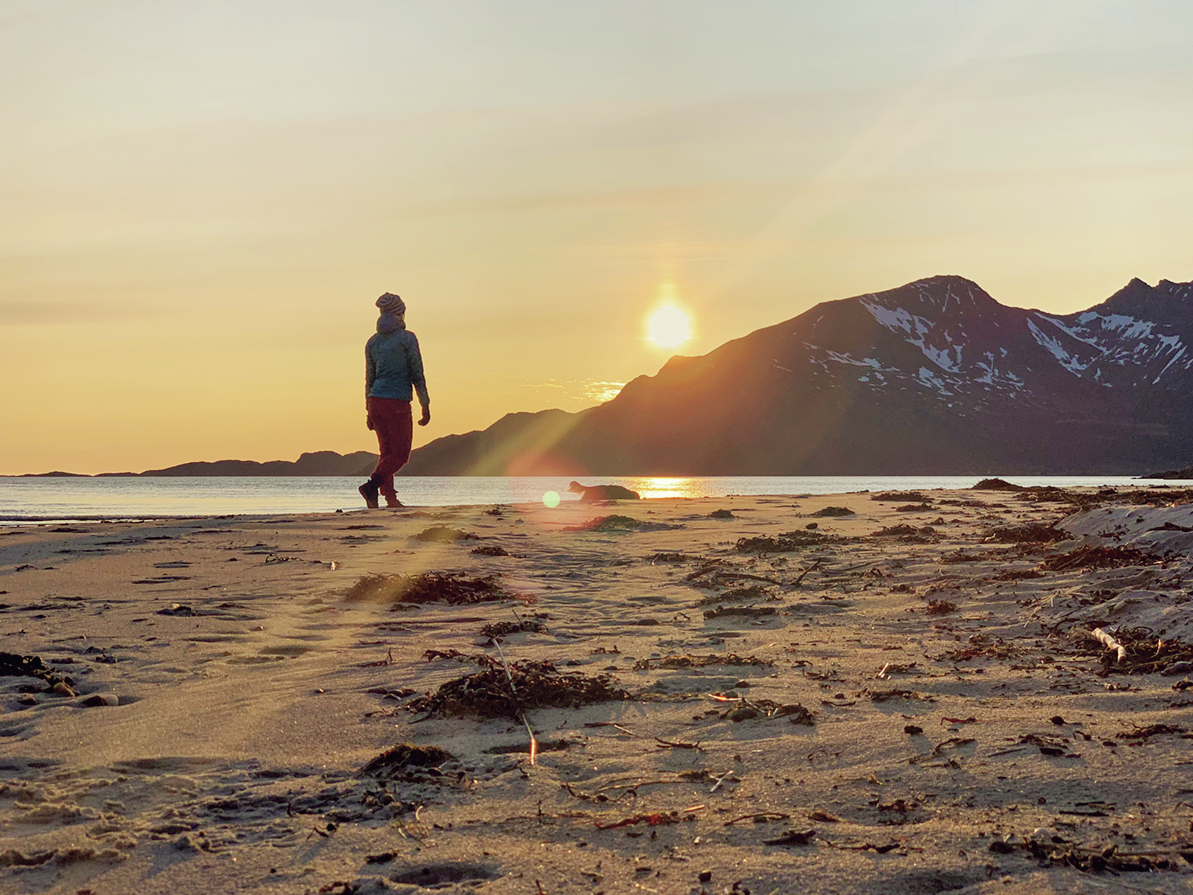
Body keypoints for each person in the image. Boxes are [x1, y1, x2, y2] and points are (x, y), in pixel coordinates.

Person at [360, 292, 430, 508]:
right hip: (397, 401)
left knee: (386, 454)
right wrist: (425, 403)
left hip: (375, 400)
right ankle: (372, 486)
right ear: (400, 313)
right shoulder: (408, 338)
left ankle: (390, 498)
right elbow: (417, 372)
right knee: (400, 455)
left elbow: (369, 377)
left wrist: (368, 410)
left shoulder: (372, 342)